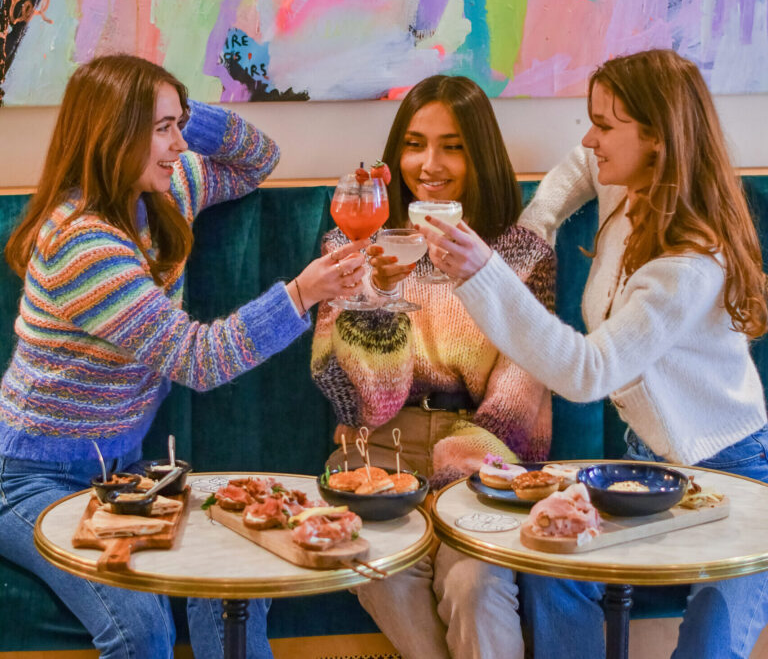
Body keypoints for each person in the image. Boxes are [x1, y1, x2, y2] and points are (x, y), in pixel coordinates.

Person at [0, 54, 367, 659]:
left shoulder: (164, 192)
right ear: (115, 135)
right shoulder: (82, 244)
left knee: (231, 577)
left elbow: (259, 160)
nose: (178, 144)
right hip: (33, 480)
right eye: (162, 128)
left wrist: (180, 114)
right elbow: (198, 359)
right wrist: (302, 293)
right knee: (141, 627)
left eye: (180, 125)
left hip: (116, 473)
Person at [416, 49, 768, 659]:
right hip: (646, 464)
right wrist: (535, 229)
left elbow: (587, 373)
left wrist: (487, 272)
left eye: (605, 125)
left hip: (735, 473)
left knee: (708, 646)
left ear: (657, 139)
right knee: (557, 572)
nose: (589, 138)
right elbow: (580, 164)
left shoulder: (688, 266)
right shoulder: (626, 189)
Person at [311, 74, 556, 659]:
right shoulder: (351, 246)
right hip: (374, 462)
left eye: (453, 145)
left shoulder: (522, 254)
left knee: (474, 582)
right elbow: (359, 403)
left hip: (484, 459)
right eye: (415, 143)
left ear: (481, 155)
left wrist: (453, 480)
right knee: (381, 571)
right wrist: (372, 298)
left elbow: (521, 399)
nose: (431, 163)